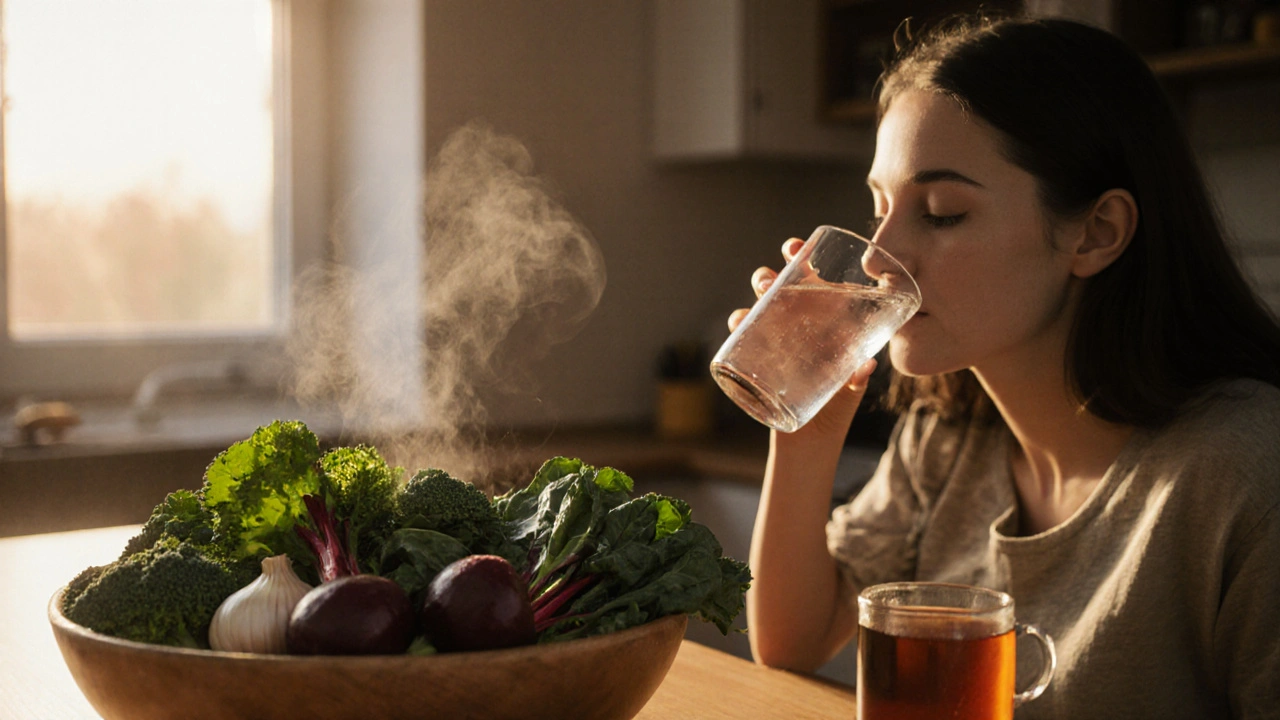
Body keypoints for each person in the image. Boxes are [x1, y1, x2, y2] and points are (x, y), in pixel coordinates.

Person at [736, 12, 1280, 719]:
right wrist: (804, 424)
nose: (876, 257)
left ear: (1096, 233)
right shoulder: (949, 440)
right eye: (879, 209)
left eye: (941, 212)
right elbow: (791, 642)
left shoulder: (1246, 473)